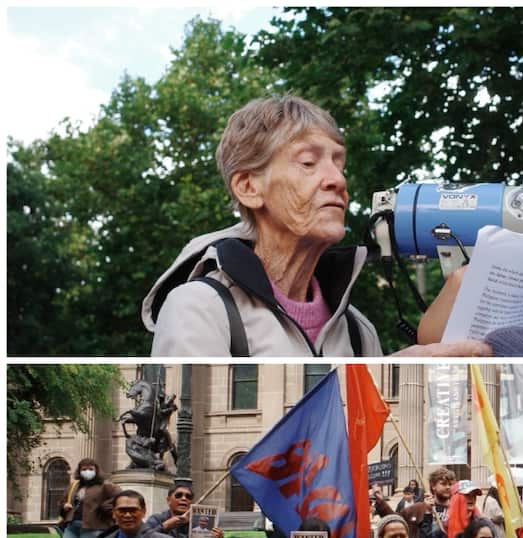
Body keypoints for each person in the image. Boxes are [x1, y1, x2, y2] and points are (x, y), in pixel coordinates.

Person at [144, 94, 491, 358]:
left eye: (339, 163)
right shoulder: (198, 308)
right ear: (249, 187)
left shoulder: (357, 329)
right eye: (309, 162)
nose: (336, 179)